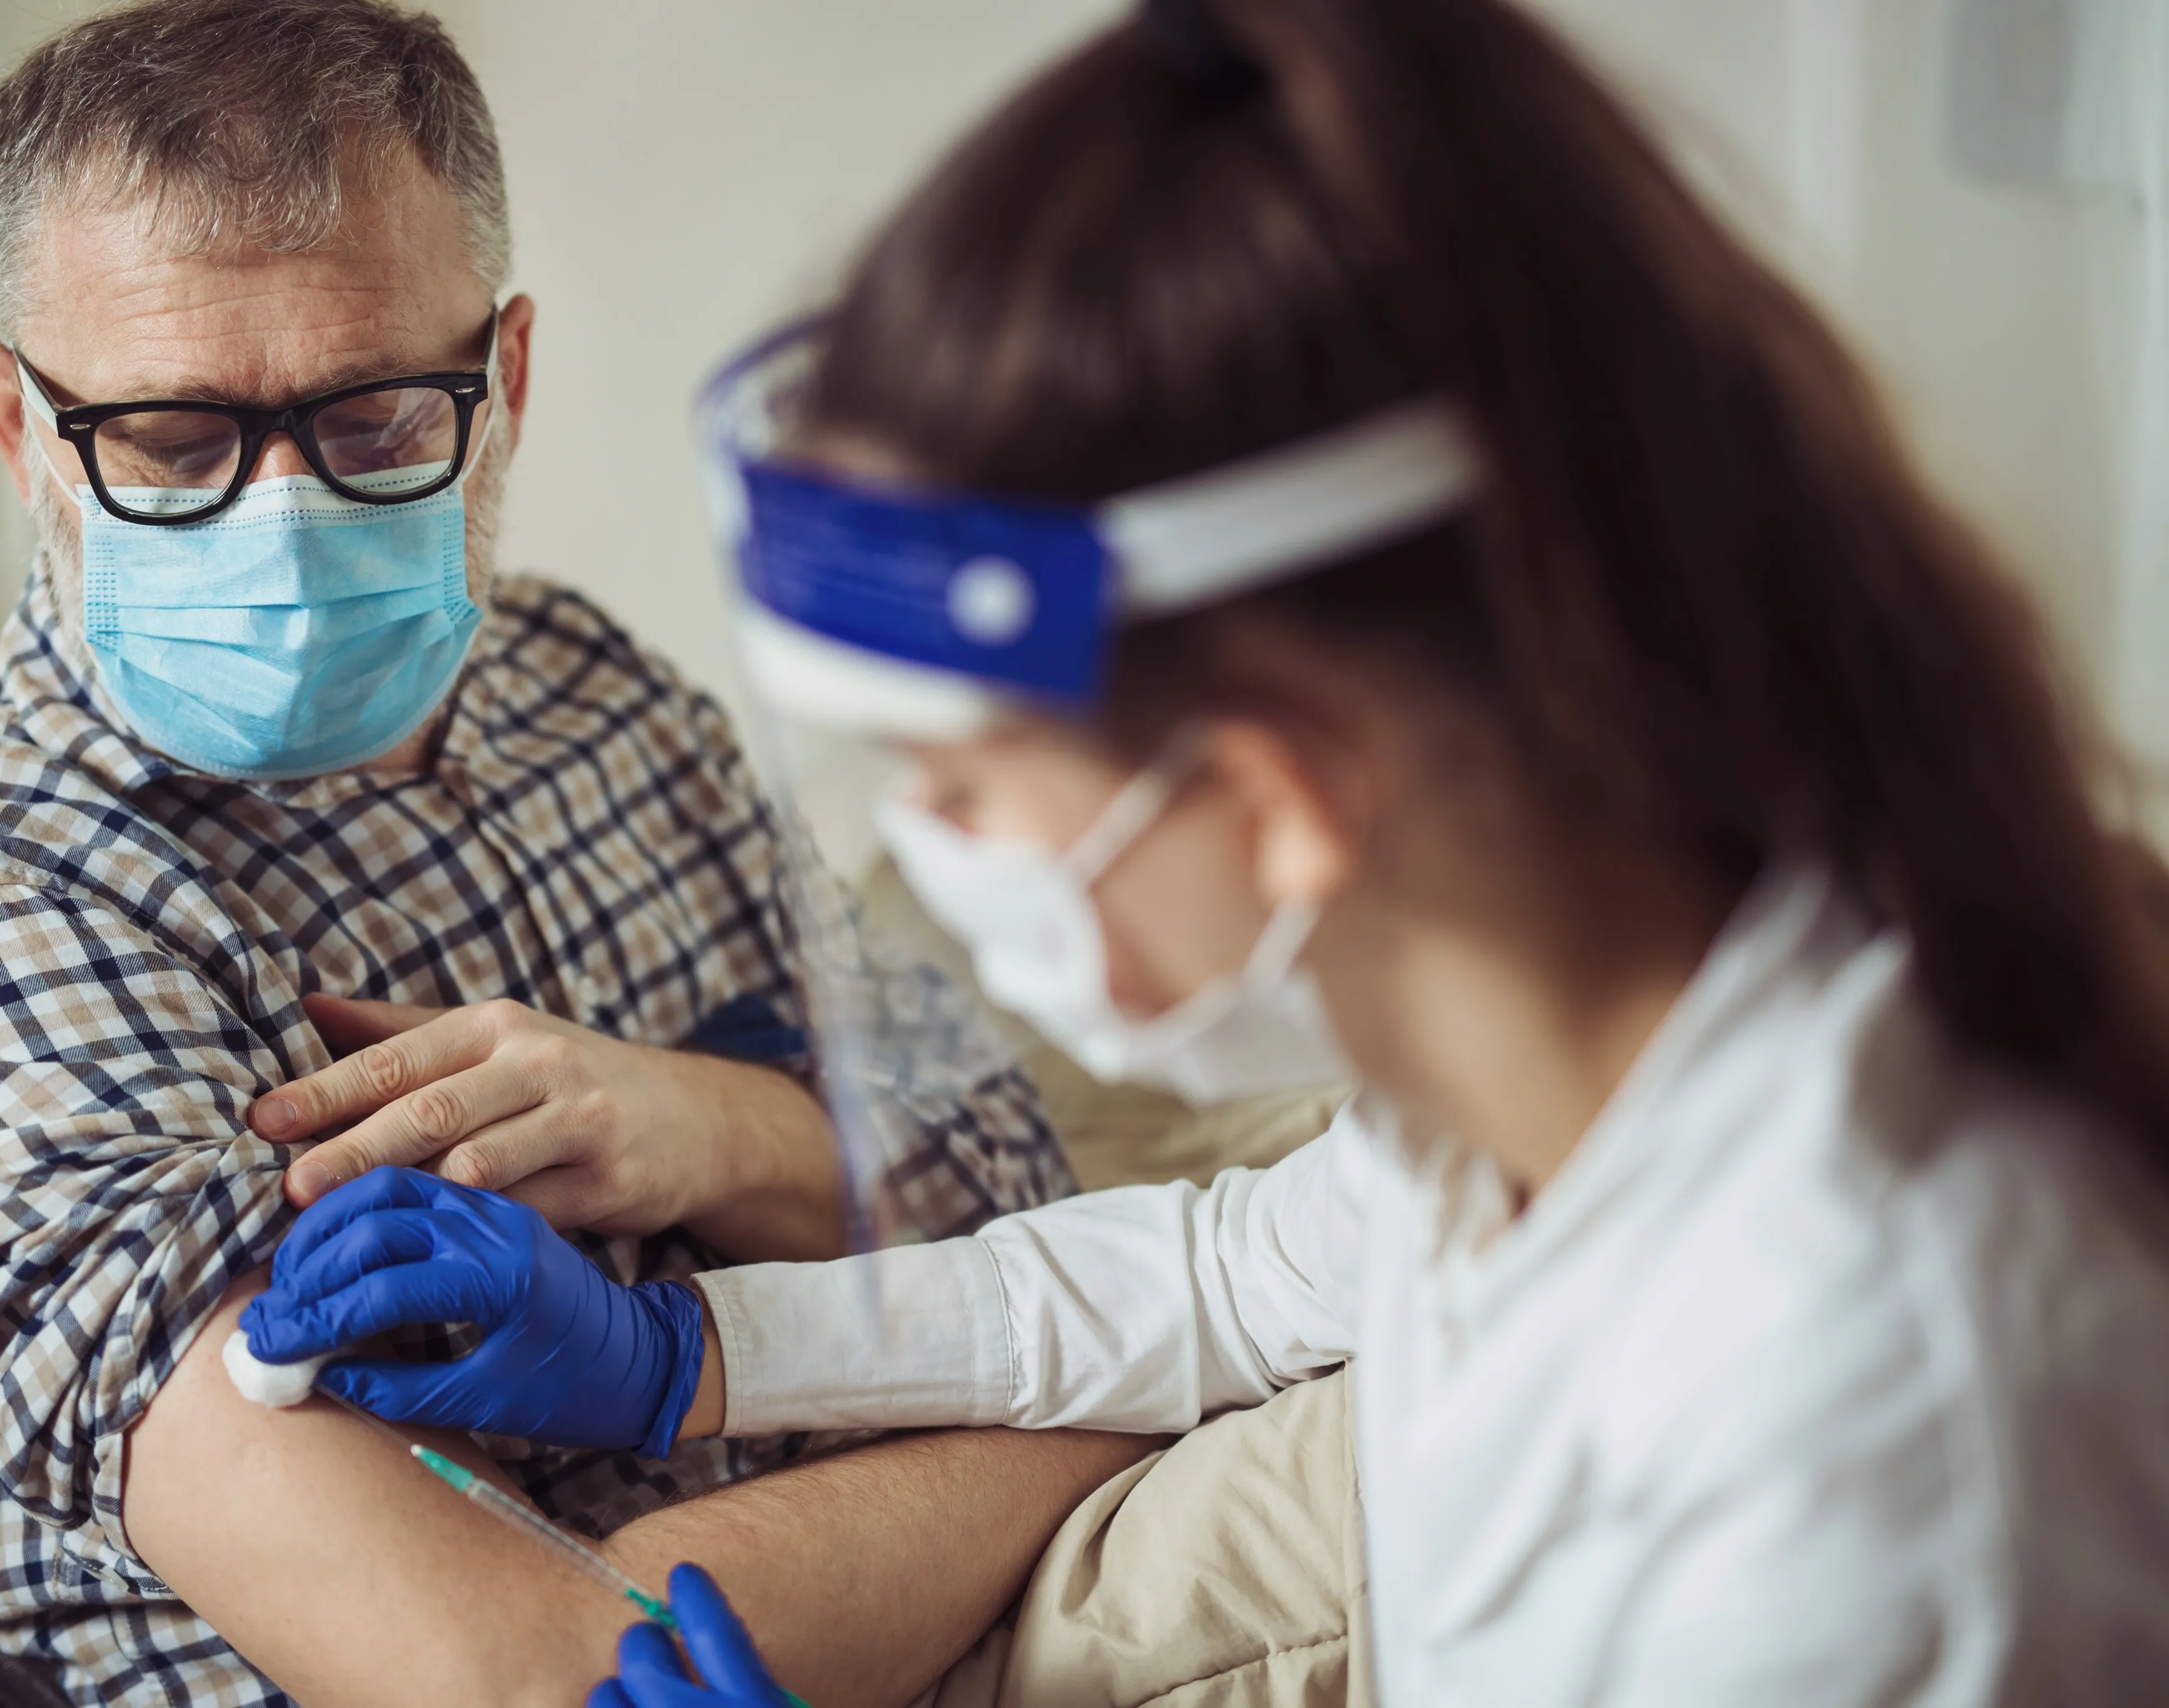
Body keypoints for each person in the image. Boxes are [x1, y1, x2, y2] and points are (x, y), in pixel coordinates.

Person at [243, 0, 2169, 1704]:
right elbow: (1242, 1274)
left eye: (970, 786)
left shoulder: (1873, 1424)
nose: (933, 850)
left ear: (1279, 796)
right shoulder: (1544, 1059)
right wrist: (681, 1355)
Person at [0, 4, 1126, 1704]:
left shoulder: (592, 689)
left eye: (372, 422)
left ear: (506, 381)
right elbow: (534, 1674)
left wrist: (701, 1125)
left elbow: (1012, 1175)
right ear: (18, 425)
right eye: (176, 446)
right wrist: (1129, 1401)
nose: (281, 518)